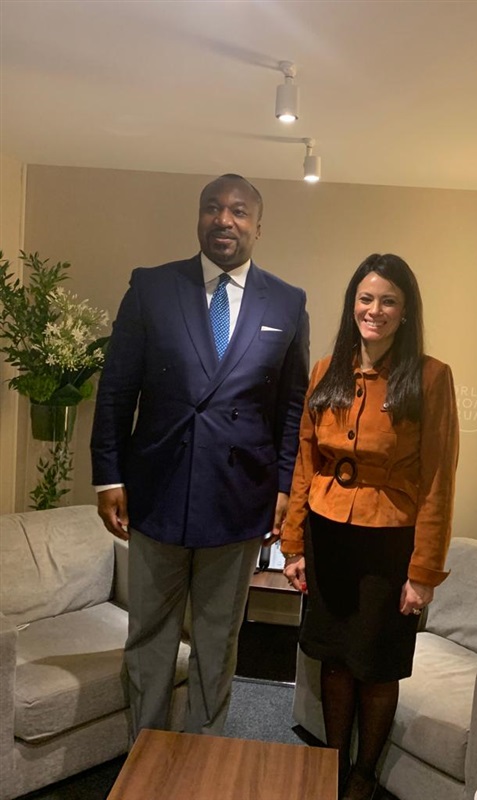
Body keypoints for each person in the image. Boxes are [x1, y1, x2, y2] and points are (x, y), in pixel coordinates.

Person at [91, 174, 309, 739]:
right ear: (199, 217)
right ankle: (145, 752)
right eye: (213, 208)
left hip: (239, 497)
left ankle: (205, 755)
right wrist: (108, 475)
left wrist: (284, 486)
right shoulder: (152, 286)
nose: (224, 220)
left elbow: (291, 407)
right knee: (149, 634)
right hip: (156, 490)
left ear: (258, 226)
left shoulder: (287, 301)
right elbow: (117, 388)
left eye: (238, 211)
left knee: (217, 638)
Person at [281, 253, 459, 800]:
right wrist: (293, 544)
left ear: (405, 311)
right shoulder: (325, 371)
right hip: (329, 536)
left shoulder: (431, 377)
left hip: (389, 544)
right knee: (335, 660)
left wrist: (424, 571)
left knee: (377, 666)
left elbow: (438, 480)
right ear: (352, 304)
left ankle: (364, 775)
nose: (374, 310)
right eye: (365, 298)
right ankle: (333, 763)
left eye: (388, 301)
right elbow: (306, 462)